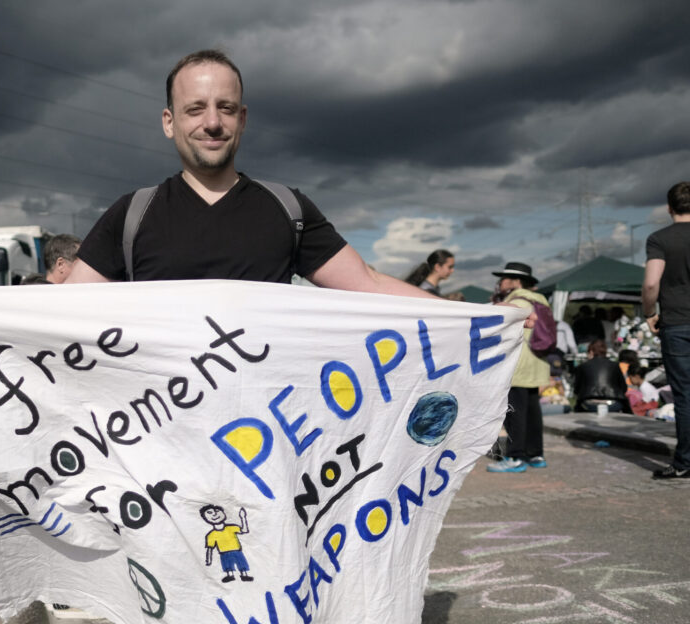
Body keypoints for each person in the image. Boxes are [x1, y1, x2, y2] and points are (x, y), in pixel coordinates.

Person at [65, 49, 437, 301]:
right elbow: (58, 315)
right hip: (160, 414)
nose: (212, 123)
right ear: (169, 122)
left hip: (268, 419)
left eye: (224, 108)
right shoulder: (131, 215)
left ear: (241, 120)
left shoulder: (288, 209)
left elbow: (367, 284)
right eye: (195, 109)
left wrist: (482, 319)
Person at [643, 181, 690, 479]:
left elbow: (650, 283)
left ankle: (685, 462)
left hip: (676, 322)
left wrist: (650, 312)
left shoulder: (659, 238)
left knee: (685, 394)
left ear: (669, 208)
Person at [486, 262, 551, 473]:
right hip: (538, 361)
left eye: (504, 279)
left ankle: (515, 456)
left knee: (515, 411)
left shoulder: (516, 301)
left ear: (515, 281)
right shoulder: (541, 300)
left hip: (518, 362)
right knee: (533, 410)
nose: (500, 283)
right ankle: (536, 453)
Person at [572, 339, 629, 413]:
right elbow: (623, 388)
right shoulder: (614, 365)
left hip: (588, 404)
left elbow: (576, 389)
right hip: (613, 404)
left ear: (591, 352)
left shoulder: (583, 366)